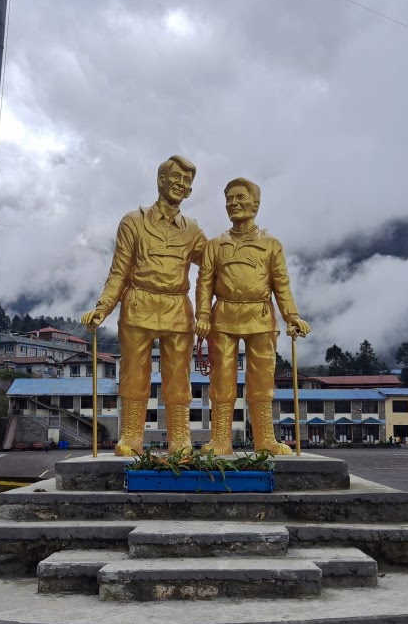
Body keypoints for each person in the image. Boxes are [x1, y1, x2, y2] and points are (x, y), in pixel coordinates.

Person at [81, 156, 206, 455]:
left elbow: (215, 266)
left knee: (179, 378)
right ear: (160, 180)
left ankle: (180, 439)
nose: (181, 184)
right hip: (138, 305)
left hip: (178, 308)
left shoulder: (193, 231)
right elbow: (119, 272)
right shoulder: (133, 222)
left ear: (190, 191)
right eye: (175, 177)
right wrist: (103, 307)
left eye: (187, 182)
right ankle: (132, 437)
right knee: (135, 375)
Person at [195, 177, 310, 455]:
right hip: (223, 316)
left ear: (256, 203)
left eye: (240, 198)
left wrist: (291, 316)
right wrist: (202, 315)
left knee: (261, 382)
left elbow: (281, 284)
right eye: (229, 199)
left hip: (260, 316)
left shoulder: (271, 245)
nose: (233, 203)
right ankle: (221, 439)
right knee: (221, 382)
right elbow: (204, 283)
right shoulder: (214, 245)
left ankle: (265, 440)